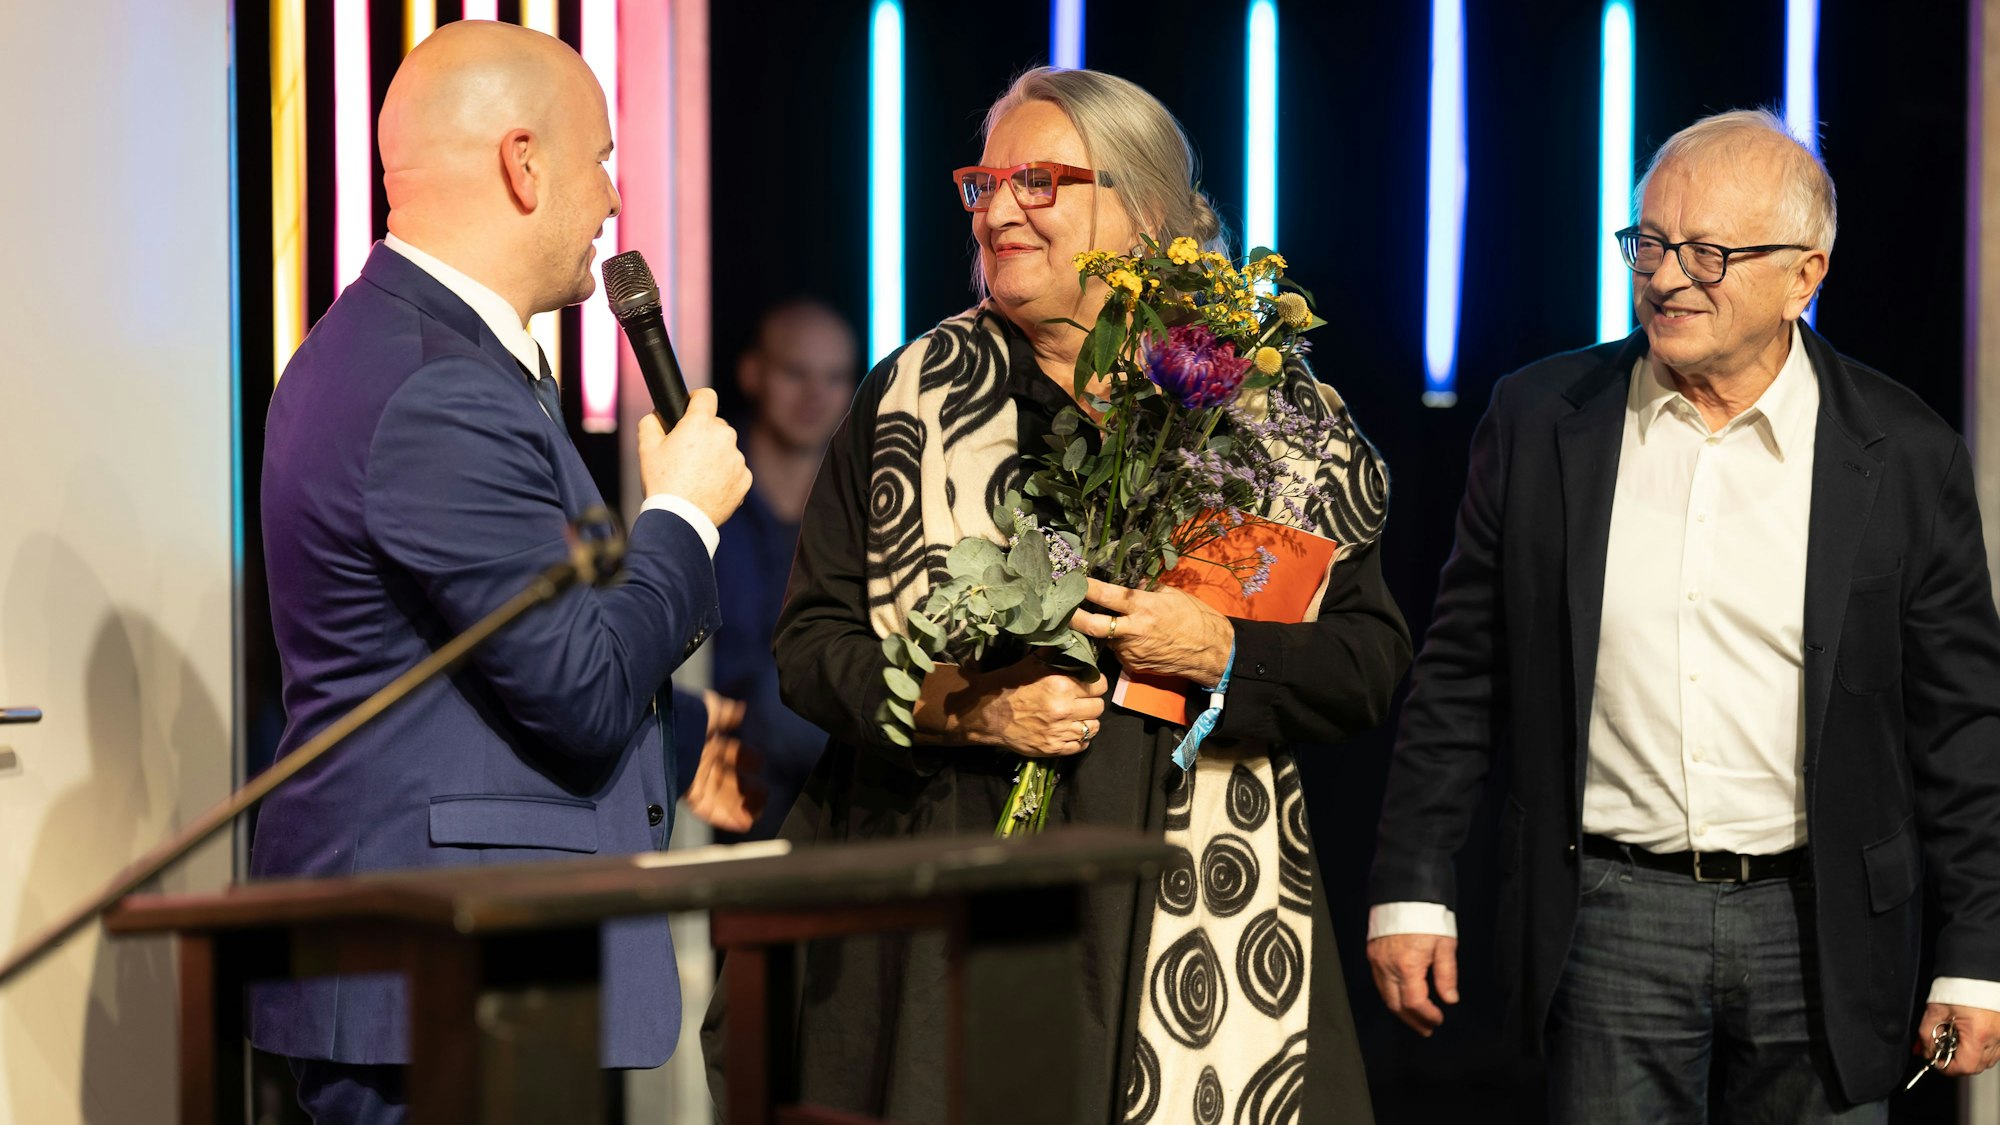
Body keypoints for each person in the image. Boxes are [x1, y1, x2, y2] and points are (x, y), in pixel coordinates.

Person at [730, 67, 1411, 1122]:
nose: (999, 209)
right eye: (986, 182)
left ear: (1141, 211)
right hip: (946, 896)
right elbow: (811, 647)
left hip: (1192, 895)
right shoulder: (912, 394)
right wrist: (969, 706)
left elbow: (1367, 660)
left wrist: (1221, 651)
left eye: (1039, 181)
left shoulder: (1271, 417)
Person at [1367, 109, 2000, 1122]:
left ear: (1804, 274)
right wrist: (1410, 882)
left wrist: (1977, 952)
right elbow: (1459, 673)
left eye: (1707, 253)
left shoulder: (1901, 451)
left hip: (1823, 920)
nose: (1664, 278)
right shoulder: (1540, 421)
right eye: (1648, 244)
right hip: (1609, 914)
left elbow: (1962, 725)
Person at [249, 21, 754, 1123]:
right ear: (524, 165)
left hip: (462, 970)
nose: (613, 200)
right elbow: (573, 691)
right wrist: (681, 515)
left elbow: (477, 668)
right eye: (600, 160)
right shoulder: (434, 384)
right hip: (450, 977)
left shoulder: (406, 353)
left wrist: (682, 735)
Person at [710, 299, 858, 839]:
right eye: (796, 372)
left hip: (827, 781)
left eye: (836, 376)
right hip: (710, 770)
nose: (816, 395)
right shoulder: (701, 480)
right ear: (753, 373)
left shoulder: (869, 506)